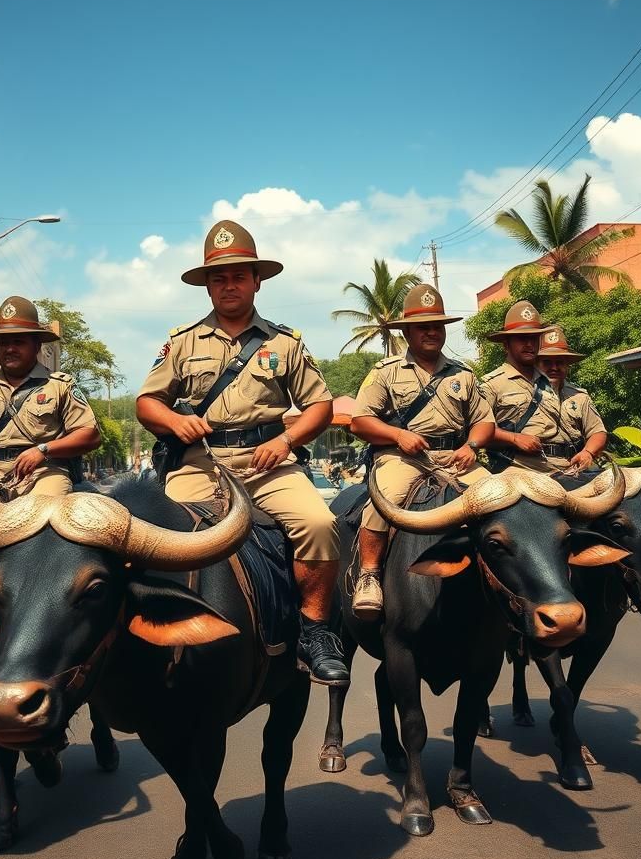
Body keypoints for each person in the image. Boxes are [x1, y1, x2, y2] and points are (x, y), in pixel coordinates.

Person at [136, 220, 348, 686]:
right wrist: (173, 421)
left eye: (238, 276)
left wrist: (286, 440)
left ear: (257, 281)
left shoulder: (284, 342)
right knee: (156, 538)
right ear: (208, 286)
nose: (228, 284)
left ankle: (314, 634)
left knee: (320, 524)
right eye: (219, 277)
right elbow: (147, 403)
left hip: (267, 463)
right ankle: (145, 633)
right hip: (198, 465)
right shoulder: (182, 342)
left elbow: (320, 406)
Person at [348, 285, 495, 618]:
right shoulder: (385, 371)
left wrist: (472, 446)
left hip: (457, 460)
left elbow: (484, 422)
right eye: (423, 327)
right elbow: (360, 422)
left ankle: (506, 581)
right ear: (408, 333)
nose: (431, 332)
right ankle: (368, 575)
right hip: (404, 457)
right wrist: (398, 435)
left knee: (500, 498)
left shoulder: (464, 374)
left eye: (437, 326)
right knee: (385, 499)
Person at [0, 296, 101, 499]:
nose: (9, 349)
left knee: (42, 514)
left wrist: (44, 450)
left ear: (36, 346)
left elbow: (90, 435)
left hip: (44, 474)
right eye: (3, 343)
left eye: (18, 342)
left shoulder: (60, 385)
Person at [481, 300, 563, 473]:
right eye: (522, 338)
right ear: (506, 344)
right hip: (517, 469)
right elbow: (476, 430)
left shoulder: (549, 382)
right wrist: (514, 438)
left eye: (534, 339)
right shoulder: (492, 384)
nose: (529, 344)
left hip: (558, 468)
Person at [535, 325, 607, 473]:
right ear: (536, 364)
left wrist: (588, 453)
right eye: (547, 362)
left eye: (560, 362)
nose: (554, 367)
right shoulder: (522, 394)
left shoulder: (580, 396)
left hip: (574, 468)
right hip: (535, 470)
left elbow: (597, 432)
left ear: (567, 365)